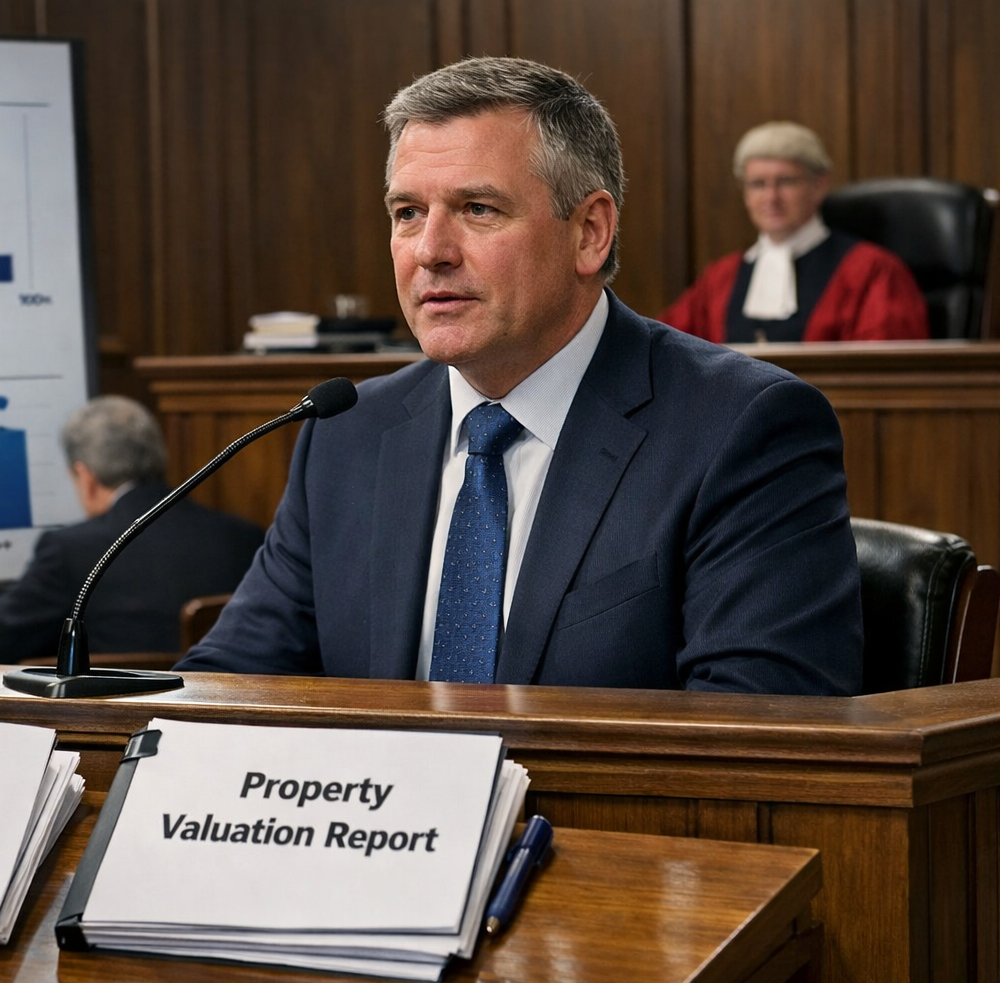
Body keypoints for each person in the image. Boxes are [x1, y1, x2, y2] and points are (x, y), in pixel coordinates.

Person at [178, 57, 862, 695]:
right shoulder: (347, 433)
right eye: (407, 213)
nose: (430, 252)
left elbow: (756, 732)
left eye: (479, 209)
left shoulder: (742, 428)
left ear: (590, 232)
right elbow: (231, 680)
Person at [0, 395, 265, 664]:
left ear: (85, 477)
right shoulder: (245, 537)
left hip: (110, 729)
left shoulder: (69, 550)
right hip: (221, 723)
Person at [661, 120, 928, 343]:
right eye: (757, 184)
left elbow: (887, 378)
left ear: (819, 185)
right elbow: (665, 347)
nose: (771, 198)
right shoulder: (720, 278)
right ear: (745, 194)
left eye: (786, 181)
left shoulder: (872, 272)